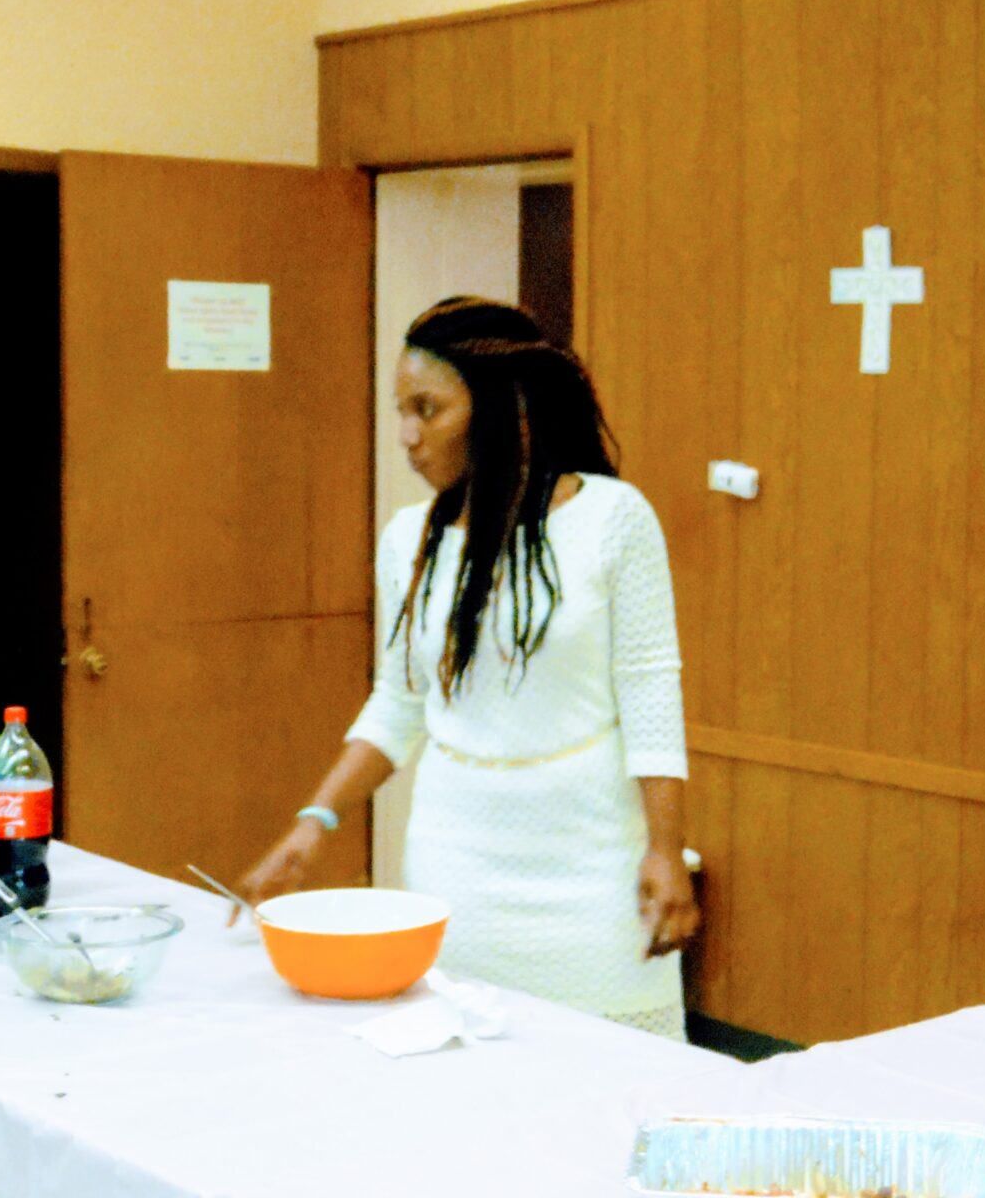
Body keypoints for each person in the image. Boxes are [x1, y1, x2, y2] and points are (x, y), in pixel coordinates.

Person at [237, 296, 700, 1039]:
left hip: (592, 869)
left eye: (429, 408)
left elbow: (651, 694)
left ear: (499, 409)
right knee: (468, 1081)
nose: (408, 436)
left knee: (611, 1088)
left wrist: (665, 849)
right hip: (460, 864)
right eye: (401, 411)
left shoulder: (613, 519)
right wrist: (311, 826)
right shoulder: (407, 539)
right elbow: (398, 704)